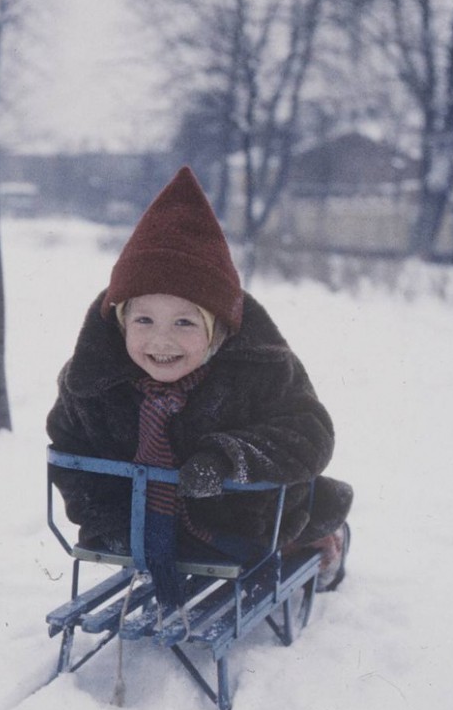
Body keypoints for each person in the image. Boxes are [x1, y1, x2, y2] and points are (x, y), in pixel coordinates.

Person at [46, 166, 352, 604]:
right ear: (121, 323)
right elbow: (70, 450)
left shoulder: (261, 369)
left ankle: (322, 542)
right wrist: (106, 521)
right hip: (136, 528)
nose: (161, 340)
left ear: (219, 330)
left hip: (241, 525)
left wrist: (228, 459)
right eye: (144, 320)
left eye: (185, 322)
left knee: (301, 525)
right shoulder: (91, 384)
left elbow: (308, 433)